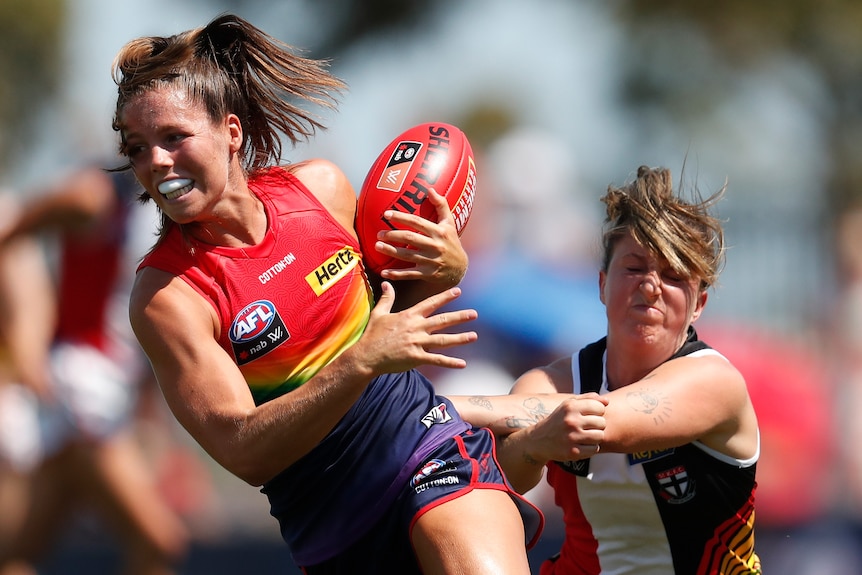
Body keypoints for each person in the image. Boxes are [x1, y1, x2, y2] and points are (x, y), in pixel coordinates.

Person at [111, 14, 551, 574]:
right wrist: (359, 363)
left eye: (174, 137)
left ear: (231, 132)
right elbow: (243, 450)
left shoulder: (321, 190)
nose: (157, 164)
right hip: (332, 527)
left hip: (427, 449)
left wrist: (446, 267)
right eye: (137, 149)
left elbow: (399, 317)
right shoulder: (168, 296)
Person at [453, 165, 762, 574]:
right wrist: (533, 446)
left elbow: (607, 419)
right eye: (634, 267)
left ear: (699, 304)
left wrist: (436, 404)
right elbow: (502, 483)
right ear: (601, 284)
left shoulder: (715, 382)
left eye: (672, 275)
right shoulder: (548, 382)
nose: (650, 286)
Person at [0, 165, 190, 575]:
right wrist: (9, 235)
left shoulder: (176, 215)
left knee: (20, 550)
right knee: (159, 541)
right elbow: (79, 198)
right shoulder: (115, 195)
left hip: (88, 396)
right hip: (83, 393)